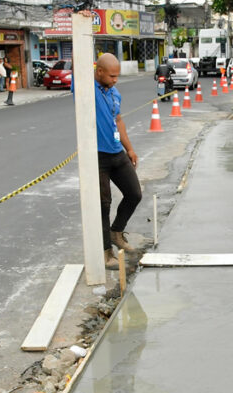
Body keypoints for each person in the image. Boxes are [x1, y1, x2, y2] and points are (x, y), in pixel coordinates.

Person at [95, 53, 142, 268]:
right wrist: (79, 17)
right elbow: (78, 67)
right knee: (103, 205)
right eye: (112, 76)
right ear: (99, 71)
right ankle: (106, 253)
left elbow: (119, 120)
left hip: (117, 153)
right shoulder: (88, 90)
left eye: (117, 76)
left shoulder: (114, 93)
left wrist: (129, 149)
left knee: (134, 194)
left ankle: (116, 232)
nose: (115, 80)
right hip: (98, 156)